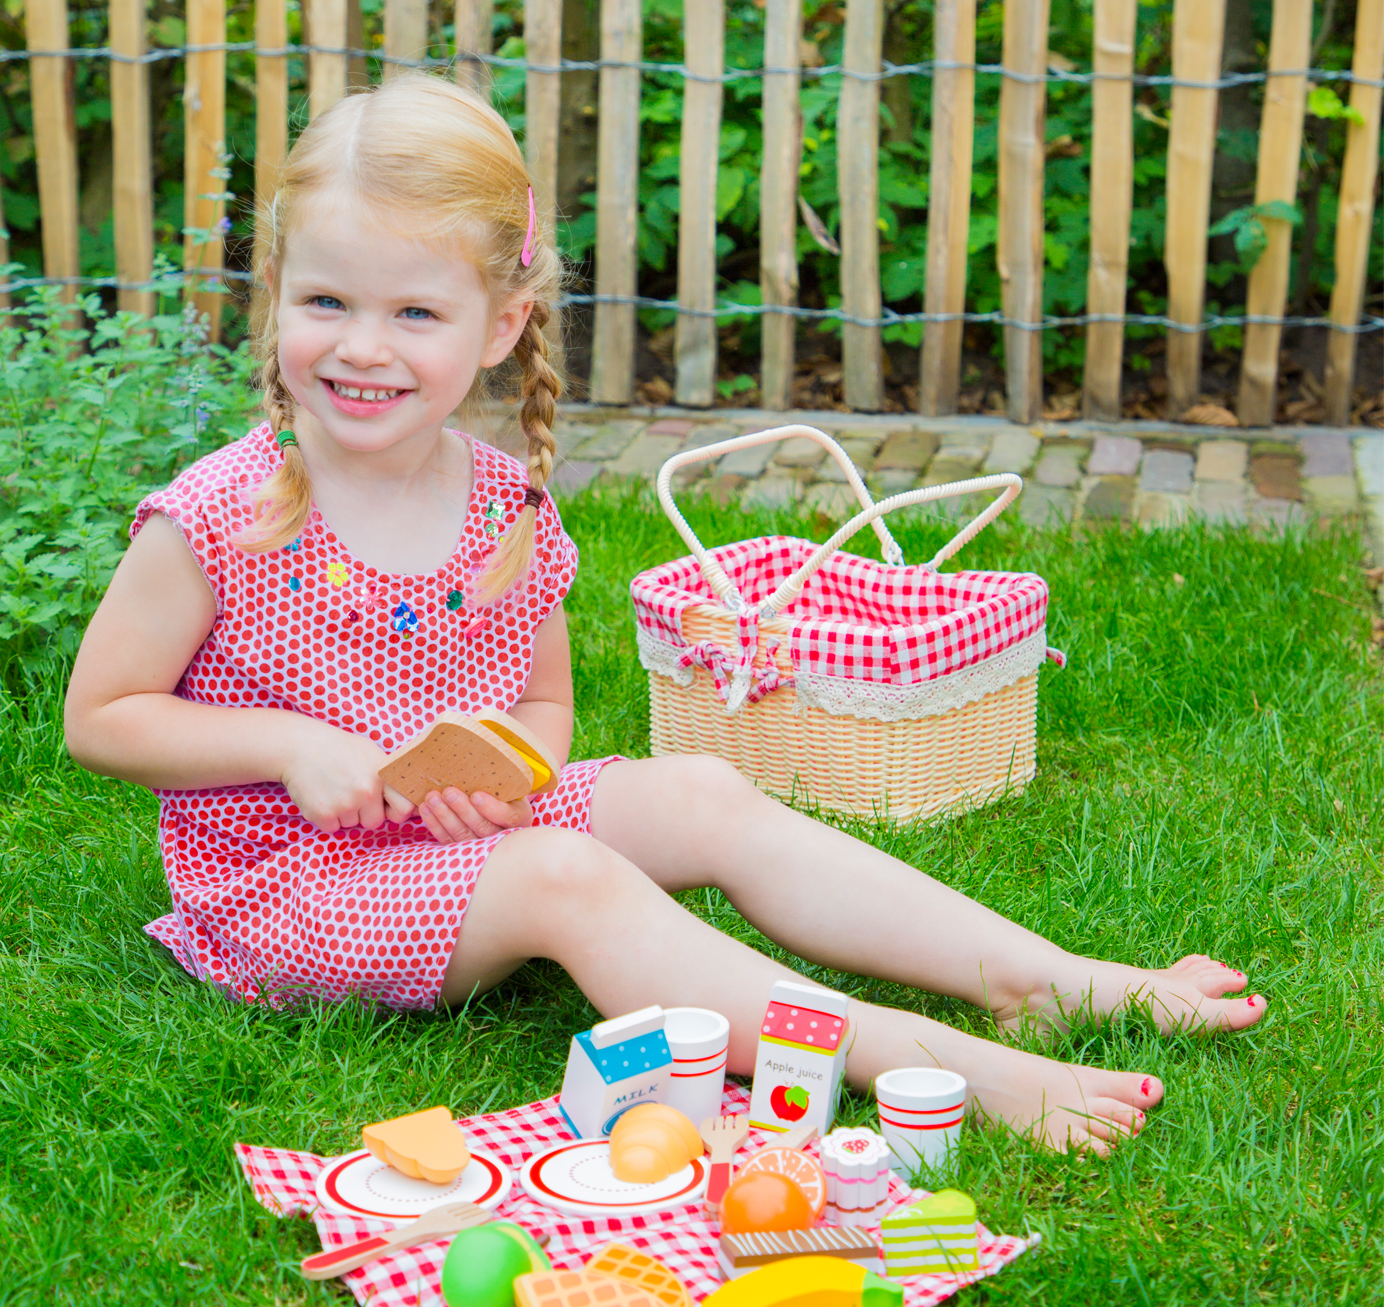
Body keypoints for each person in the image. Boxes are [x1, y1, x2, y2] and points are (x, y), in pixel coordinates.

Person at [64, 75, 1266, 1159]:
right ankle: (923, 1060)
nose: (362, 348)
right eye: (326, 300)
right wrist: (287, 747)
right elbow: (101, 717)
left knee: (699, 790)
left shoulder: (502, 507)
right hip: (288, 890)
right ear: (275, 298)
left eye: (415, 315)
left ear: (500, 326)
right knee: (564, 877)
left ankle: (1038, 977)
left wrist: (510, 769)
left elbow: (545, 711)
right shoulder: (222, 516)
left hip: (450, 839)